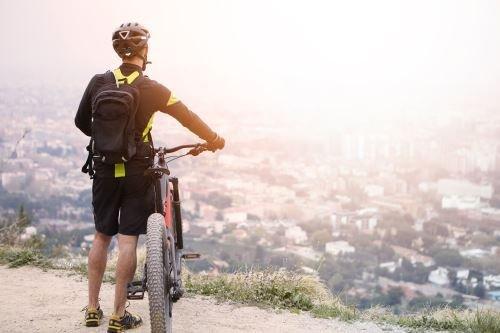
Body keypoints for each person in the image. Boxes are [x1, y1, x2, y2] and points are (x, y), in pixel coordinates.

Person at [75, 22, 225, 332]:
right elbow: (188, 116)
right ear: (145, 51)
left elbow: (81, 122)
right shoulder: (153, 89)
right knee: (127, 240)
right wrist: (213, 139)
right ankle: (118, 315)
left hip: (104, 168)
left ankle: (92, 309)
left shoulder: (98, 82)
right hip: (136, 170)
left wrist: (109, 137)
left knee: (102, 236)